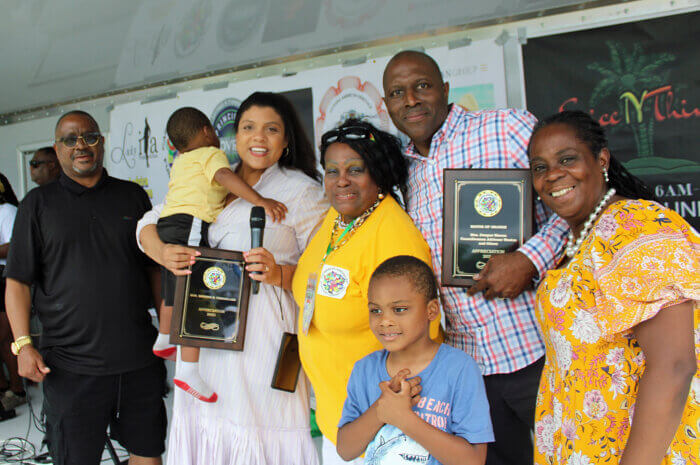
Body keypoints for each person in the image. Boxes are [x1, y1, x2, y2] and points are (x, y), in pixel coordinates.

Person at [382, 50, 569, 465]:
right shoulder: (398, 173)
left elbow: (572, 203)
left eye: (422, 86)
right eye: (397, 92)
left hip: (541, 348)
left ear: (446, 90)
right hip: (469, 370)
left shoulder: (506, 128)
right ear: (387, 105)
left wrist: (529, 260)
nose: (410, 99)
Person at [137, 92, 326, 465]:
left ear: (286, 140)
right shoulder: (209, 175)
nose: (259, 137)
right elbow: (150, 220)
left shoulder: (302, 192)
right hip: (205, 338)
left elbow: (323, 273)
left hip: (264, 338)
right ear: (233, 135)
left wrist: (278, 273)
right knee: (208, 429)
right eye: (248, 128)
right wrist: (161, 251)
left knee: (260, 432)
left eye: (271, 129)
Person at [527, 110, 698, 465]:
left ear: (601, 159)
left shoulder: (634, 226)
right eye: (539, 167)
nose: (553, 175)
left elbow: (675, 365)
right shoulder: (579, 237)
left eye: (567, 159)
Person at [4, 110, 167, 465]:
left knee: (148, 454)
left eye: (89, 136)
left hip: (138, 359)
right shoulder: (37, 205)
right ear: (57, 148)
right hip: (70, 368)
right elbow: (17, 281)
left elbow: (154, 270)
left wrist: (168, 331)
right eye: (70, 139)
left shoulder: (132, 196)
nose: (81, 145)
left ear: (101, 142)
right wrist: (23, 345)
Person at [286, 119, 442, 465]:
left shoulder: (393, 236)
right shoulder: (338, 219)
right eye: (332, 171)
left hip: (384, 428)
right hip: (338, 417)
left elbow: (419, 340)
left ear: (378, 173)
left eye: (355, 170)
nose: (341, 180)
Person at [151, 106, 287, 403]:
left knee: (172, 288)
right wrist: (259, 199)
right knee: (192, 295)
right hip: (190, 224)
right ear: (205, 131)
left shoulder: (182, 160)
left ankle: (163, 337)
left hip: (169, 225)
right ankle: (187, 368)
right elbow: (225, 177)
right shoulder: (210, 154)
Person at [337, 255, 493, 465]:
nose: (385, 321)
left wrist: (403, 418)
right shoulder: (364, 369)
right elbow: (346, 450)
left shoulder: (459, 368)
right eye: (376, 310)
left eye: (399, 309)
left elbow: (473, 460)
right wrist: (381, 410)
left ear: (431, 311)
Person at [0, 174, 24, 412]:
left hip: (3, 278)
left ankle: (17, 390)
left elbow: (12, 246)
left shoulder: (6, 210)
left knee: (6, 338)